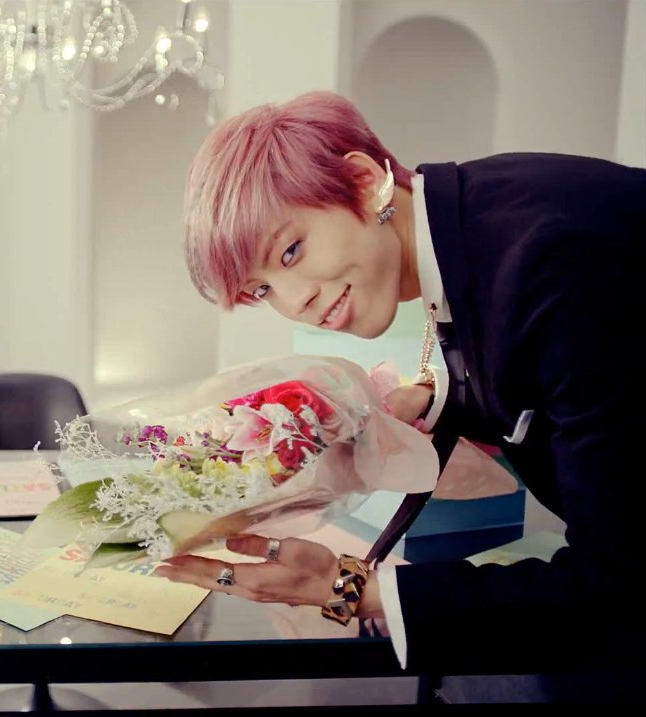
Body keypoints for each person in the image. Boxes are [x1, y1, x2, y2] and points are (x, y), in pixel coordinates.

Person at [153, 90, 646, 683]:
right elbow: (547, 377)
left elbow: (620, 584)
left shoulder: (549, 260)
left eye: (291, 250)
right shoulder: (471, 220)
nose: (296, 301)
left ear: (363, 183)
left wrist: (348, 589)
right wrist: (430, 403)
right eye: (263, 290)